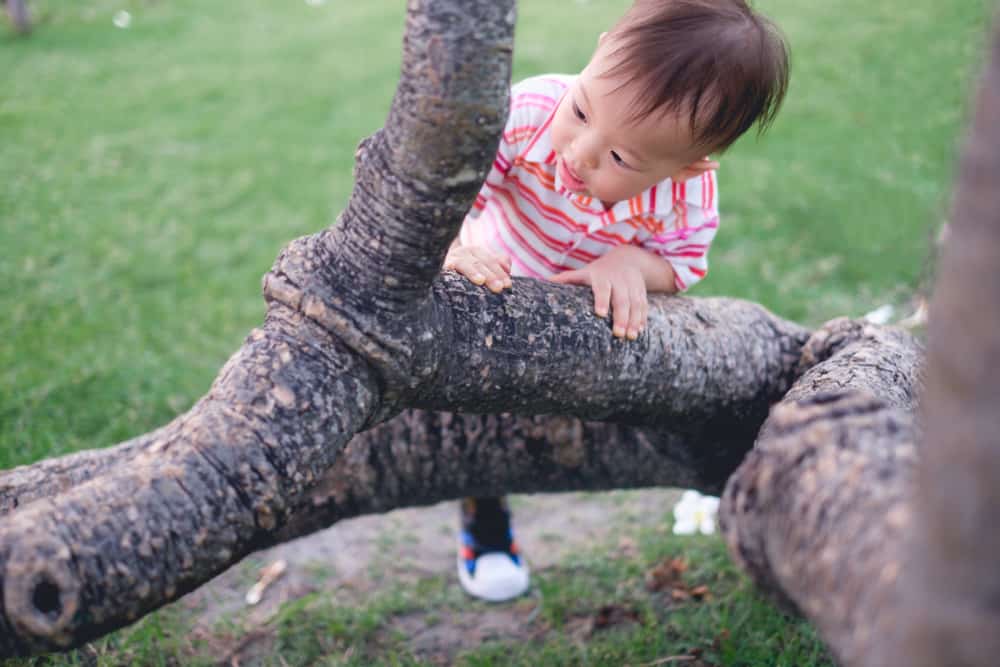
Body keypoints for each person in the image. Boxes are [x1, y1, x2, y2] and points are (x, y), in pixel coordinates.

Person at [445, 0, 790, 602]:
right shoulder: (529, 111)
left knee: (606, 416)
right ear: (598, 51)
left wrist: (631, 262)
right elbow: (450, 187)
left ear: (686, 168)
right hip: (491, 295)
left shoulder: (686, 197)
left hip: (581, 330)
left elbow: (683, 262)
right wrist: (449, 246)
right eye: (581, 110)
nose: (580, 152)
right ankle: (486, 524)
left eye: (622, 159)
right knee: (474, 428)